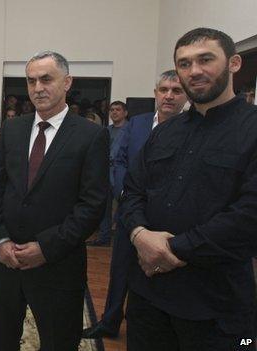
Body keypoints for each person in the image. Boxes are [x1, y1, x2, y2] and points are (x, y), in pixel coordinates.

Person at [122, 28, 257, 350]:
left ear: (234, 63)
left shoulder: (251, 130)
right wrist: (139, 234)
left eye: (205, 59)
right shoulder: (165, 132)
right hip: (148, 295)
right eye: (184, 63)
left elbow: (249, 215)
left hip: (215, 304)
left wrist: (174, 250)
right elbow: (132, 190)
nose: (194, 71)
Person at [0, 50, 109, 350]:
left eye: (46, 79)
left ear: (67, 82)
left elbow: (92, 205)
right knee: (2, 340)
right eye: (30, 81)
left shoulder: (91, 135)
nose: (37, 87)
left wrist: (46, 248)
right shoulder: (12, 128)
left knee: (58, 342)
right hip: (7, 263)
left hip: (58, 266)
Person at [82, 70, 188, 339]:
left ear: (185, 95)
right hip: (130, 212)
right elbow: (119, 161)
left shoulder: (192, 128)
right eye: (164, 89)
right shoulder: (138, 124)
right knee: (120, 270)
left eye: (176, 91)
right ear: (155, 93)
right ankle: (109, 322)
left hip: (166, 222)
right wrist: (123, 194)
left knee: (158, 277)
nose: (169, 96)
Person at [89, 100, 128, 246]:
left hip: (122, 174)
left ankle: (121, 240)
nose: (114, 112)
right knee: (104, 208)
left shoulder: (130, 129)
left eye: (118, 109)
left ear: (125, 113)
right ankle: (104, 238)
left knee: (123, 207)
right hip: (105, 173)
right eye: (112, 110)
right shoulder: (106, 130)